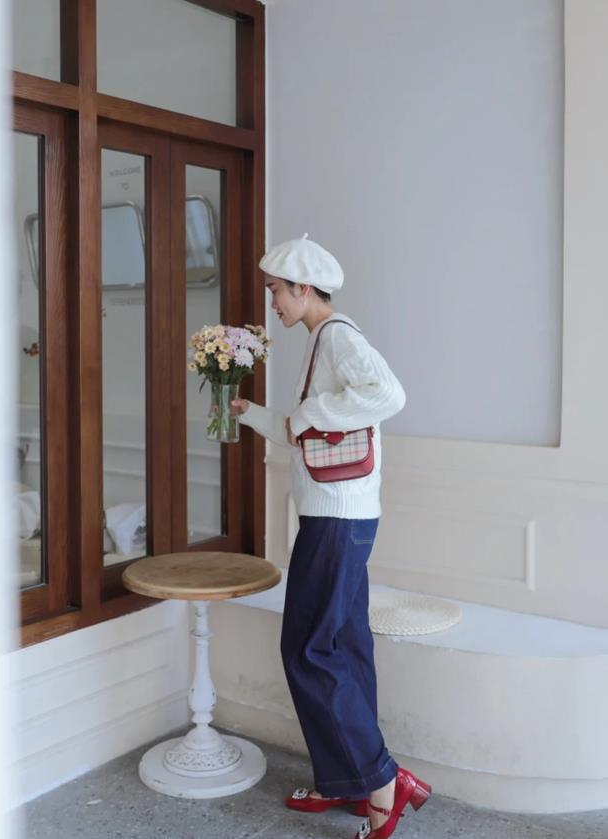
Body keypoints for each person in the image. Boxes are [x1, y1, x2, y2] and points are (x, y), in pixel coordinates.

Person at [230, 233, 431, 839]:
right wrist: (248, 414)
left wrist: (311, 414)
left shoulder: (338, 336)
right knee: (342, 644)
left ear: (302, 286)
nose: (272, 302)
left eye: (276, 290)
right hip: (341, 514)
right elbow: (303, 432)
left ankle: (381, 781)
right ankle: (347, 780)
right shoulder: (320, 341)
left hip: (337, 518)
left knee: (310, 648)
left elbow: (387, 395)